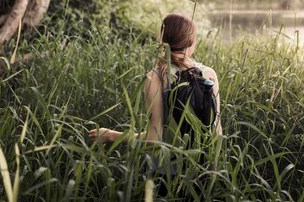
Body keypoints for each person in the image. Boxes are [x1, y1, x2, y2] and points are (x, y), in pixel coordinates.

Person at [88, 12, 222, 144]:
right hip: (203, 162)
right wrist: (213, 166)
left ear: (162, 39)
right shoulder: (209, 74)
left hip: (169, 163)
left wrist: (111, 136)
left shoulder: (156, 77)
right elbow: (217, 132)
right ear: (192, 42)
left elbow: (153, 139)